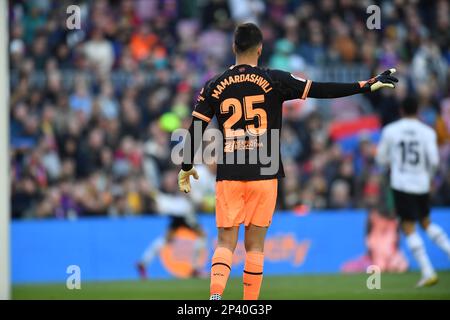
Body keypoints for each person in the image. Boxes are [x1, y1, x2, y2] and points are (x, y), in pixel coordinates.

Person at [178, 22, 398, 300]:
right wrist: (365, 85)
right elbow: (321, 89)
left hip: (230, 171)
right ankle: (249, 304)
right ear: (260, 49)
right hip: (265, 171)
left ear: (234, 47)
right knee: (255, 246)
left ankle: (215, 299)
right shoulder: (275, 79)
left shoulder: (213, 85)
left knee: (225, 242)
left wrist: (186, 166)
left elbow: (195, 129)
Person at [376, 96, 450, 287]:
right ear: (418, 111)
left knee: (408, 226)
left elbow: (381, 159)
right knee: (426, 222)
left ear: (401, 111)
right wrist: (429, 178)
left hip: (401, 184)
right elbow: (434, 162)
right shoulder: (427, 132)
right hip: (422, 183)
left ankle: (427, 271)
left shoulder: (391, 131)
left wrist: (393, 163)